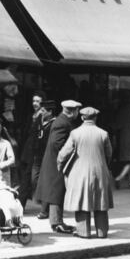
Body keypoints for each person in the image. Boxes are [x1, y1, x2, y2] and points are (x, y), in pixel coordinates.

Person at [57, 106, 114, 238]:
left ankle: (84, 232)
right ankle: (102, 232)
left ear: (82, 118)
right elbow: (109, 154)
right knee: (101, 203)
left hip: (80, 174)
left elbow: (64, 153)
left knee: (82, 202)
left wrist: (60, 165)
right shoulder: (103, 133)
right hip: (100, 172)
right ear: (95, 118)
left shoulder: (75, 133)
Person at [35, 99, 81, 234]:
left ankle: (56, 222)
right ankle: (57, 223)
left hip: (55, 163)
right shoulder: (62, 123)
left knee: (56, 192)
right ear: (73, 112)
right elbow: (57, 143)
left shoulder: (62, 121)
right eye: (77, 110)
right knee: (56, 192)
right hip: (57, 163)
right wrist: (68, 155)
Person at [18, 92, 45, 210]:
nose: (35, 103)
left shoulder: (43, 116)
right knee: (25, 178)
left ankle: (21, 205)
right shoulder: (32, 115)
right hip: (27, 150)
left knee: (28, 178)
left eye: (38, 101)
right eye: (34, 101)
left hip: (35, 152)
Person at [32, 100, 57, 219]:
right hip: (37, 155)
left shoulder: (54, 123)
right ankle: (44, 203)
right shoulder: (39, 121)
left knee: (46, 182)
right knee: (34, 179)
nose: (41, 112)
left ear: (50, 112)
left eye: (43, 110)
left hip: (47, 155)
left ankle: (45, 209)